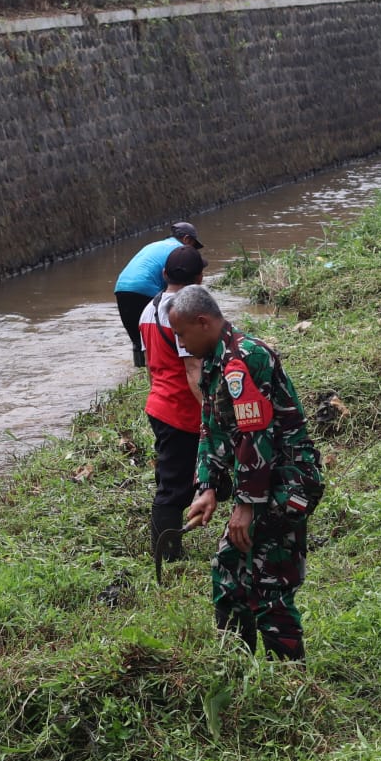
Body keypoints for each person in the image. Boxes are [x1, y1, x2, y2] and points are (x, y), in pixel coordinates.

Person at [171, 286, 324, 660]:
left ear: (203, 322)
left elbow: (256, 435)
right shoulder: (213, 361)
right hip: (261, 482)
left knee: (268, 583)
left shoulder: (244, 359)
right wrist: (206, 486)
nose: (179, 342)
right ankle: (236, 663)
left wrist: (246, 505)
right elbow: (213, 428)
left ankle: (288, 677)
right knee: (228, 570)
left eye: (181, 334)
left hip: (286, 482)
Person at [141, 245, 210, 562]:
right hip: (180, 411)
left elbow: (149, 363)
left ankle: (167, 548)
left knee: (171, 479)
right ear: (199, 278)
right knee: (173, 490)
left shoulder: (149, 309)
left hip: (158, 405)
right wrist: (210, 412)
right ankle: (166, 557)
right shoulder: (182, 313)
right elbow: (193, 369)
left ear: (165, 274)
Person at [114, 222, 204, 368]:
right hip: (145, 289)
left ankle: (140, 372)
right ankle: (165, 368)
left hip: (121, 287)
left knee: (138, 341)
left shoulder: (154, 245)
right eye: (193, 245)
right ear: (187, 239)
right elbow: (174, 284)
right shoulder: (178, 252)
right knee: (162, 334)